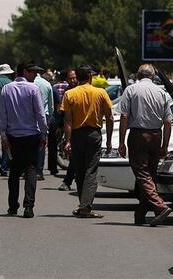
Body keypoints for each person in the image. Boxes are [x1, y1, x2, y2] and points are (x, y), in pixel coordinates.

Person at [118, 64, 173, 227]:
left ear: (138, 75)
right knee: (150, 175)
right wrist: (165, 145)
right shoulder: (161, 92)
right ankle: (140, 214)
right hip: (156, 135)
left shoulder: (131, 90)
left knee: (142, 174)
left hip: (138, 135)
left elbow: (124, 117)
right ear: (153, 76)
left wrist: (121, 142)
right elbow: (168, 122)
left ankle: (159, 206)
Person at [63, 65, 114, 218]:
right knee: (90, 170)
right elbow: (110, 117)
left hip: (77, 134)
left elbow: (68, 120)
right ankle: (85, 207)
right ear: (91, 77)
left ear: (77, 78)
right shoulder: (100, 92)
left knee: (79, 170)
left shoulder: (69, 94)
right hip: (93, 134)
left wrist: (68, 140)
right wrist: (110, 140)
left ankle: (83, 205)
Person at [0, 62, 48, 218]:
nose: (35, 75)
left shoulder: (7, 89)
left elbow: (3, 114)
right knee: (31, 169)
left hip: (13, 136)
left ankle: (13, 206)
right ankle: (29, 207)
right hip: (31, 136)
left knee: (14, 171)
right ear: (25, 72)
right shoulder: (33, 89)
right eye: (33, 72)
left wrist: (4, 135)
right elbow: (40, 114)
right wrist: (44, 133)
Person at [57, 69, 78, 191]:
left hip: (85, 128)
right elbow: (63, 113)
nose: (72, 80)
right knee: (74, 157)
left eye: (74, 78)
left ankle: (70, 181)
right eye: (70, 78)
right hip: (72, 128)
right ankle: (68, 181)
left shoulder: (83, 89)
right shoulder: (67, 92)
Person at [34, 71, 54, 180]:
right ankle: (39, 171)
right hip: (44, 116)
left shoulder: (29, 83)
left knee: (30, 143)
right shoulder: (46, 84)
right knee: (42, 143)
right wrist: (49, 119)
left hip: (31, 117)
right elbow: (51, 106)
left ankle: (28, 169)